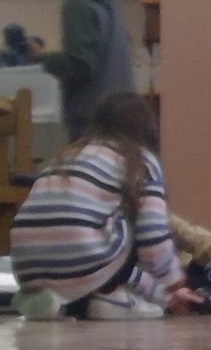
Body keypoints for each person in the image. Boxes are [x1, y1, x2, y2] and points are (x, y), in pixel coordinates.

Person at [10, 92, 200, 320]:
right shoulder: (141, 162)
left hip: (28, 268)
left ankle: (55, 302)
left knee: (101, 235)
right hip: (85, 261)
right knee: (132, 223)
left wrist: (163, 296)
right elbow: (153, 239)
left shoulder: (68, 155)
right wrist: (173, 282)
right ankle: (110, 297)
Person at [29, 0, 135, 141]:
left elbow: (81, 66)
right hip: (120, 114)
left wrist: (42, 57)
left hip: (91, 119)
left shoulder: (78, 1)